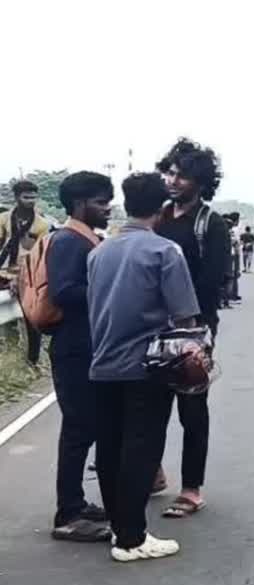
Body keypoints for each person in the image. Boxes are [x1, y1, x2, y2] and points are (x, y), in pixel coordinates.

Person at [88, 172, 200, 562]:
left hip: (102, 363)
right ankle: (132, 538)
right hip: (146, 365)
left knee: (110, 447)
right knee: (142, 447)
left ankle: (121, 530)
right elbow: (184, 314)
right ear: (163, 206)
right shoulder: (165, 252)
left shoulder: (99, 251)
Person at [154, 138, 230, 517]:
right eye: (169, 172)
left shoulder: (210, 225)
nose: (172, 180)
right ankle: (152, 473)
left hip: (191, 330)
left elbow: (213, 280)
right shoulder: (156, 216)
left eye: (181, 176)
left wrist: (190, 324)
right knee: (148, 405)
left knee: (191, 409)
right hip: (149, 327)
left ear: (200, 182)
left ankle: (191, 489)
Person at [46, 171, 113, 542]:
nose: (108, 208)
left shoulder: (85, 239)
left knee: (86, 427)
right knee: (78, 430)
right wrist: (111, 286)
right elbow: (64, 292)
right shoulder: (71, 241)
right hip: (75, 348)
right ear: (80, 204)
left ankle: (76, 502)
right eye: (102, 202)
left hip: (85, 346)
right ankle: (68, 514)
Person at [1, 179, 51, 366]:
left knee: (31, 317)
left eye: (33, 197)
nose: (31, 201)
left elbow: (37, 257)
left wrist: (20, 278)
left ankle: (33, 360)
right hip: (4, 270)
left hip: (27, 274)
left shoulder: (41, 224)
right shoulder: (4, 219)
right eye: (26, 197)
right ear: (16, 198)